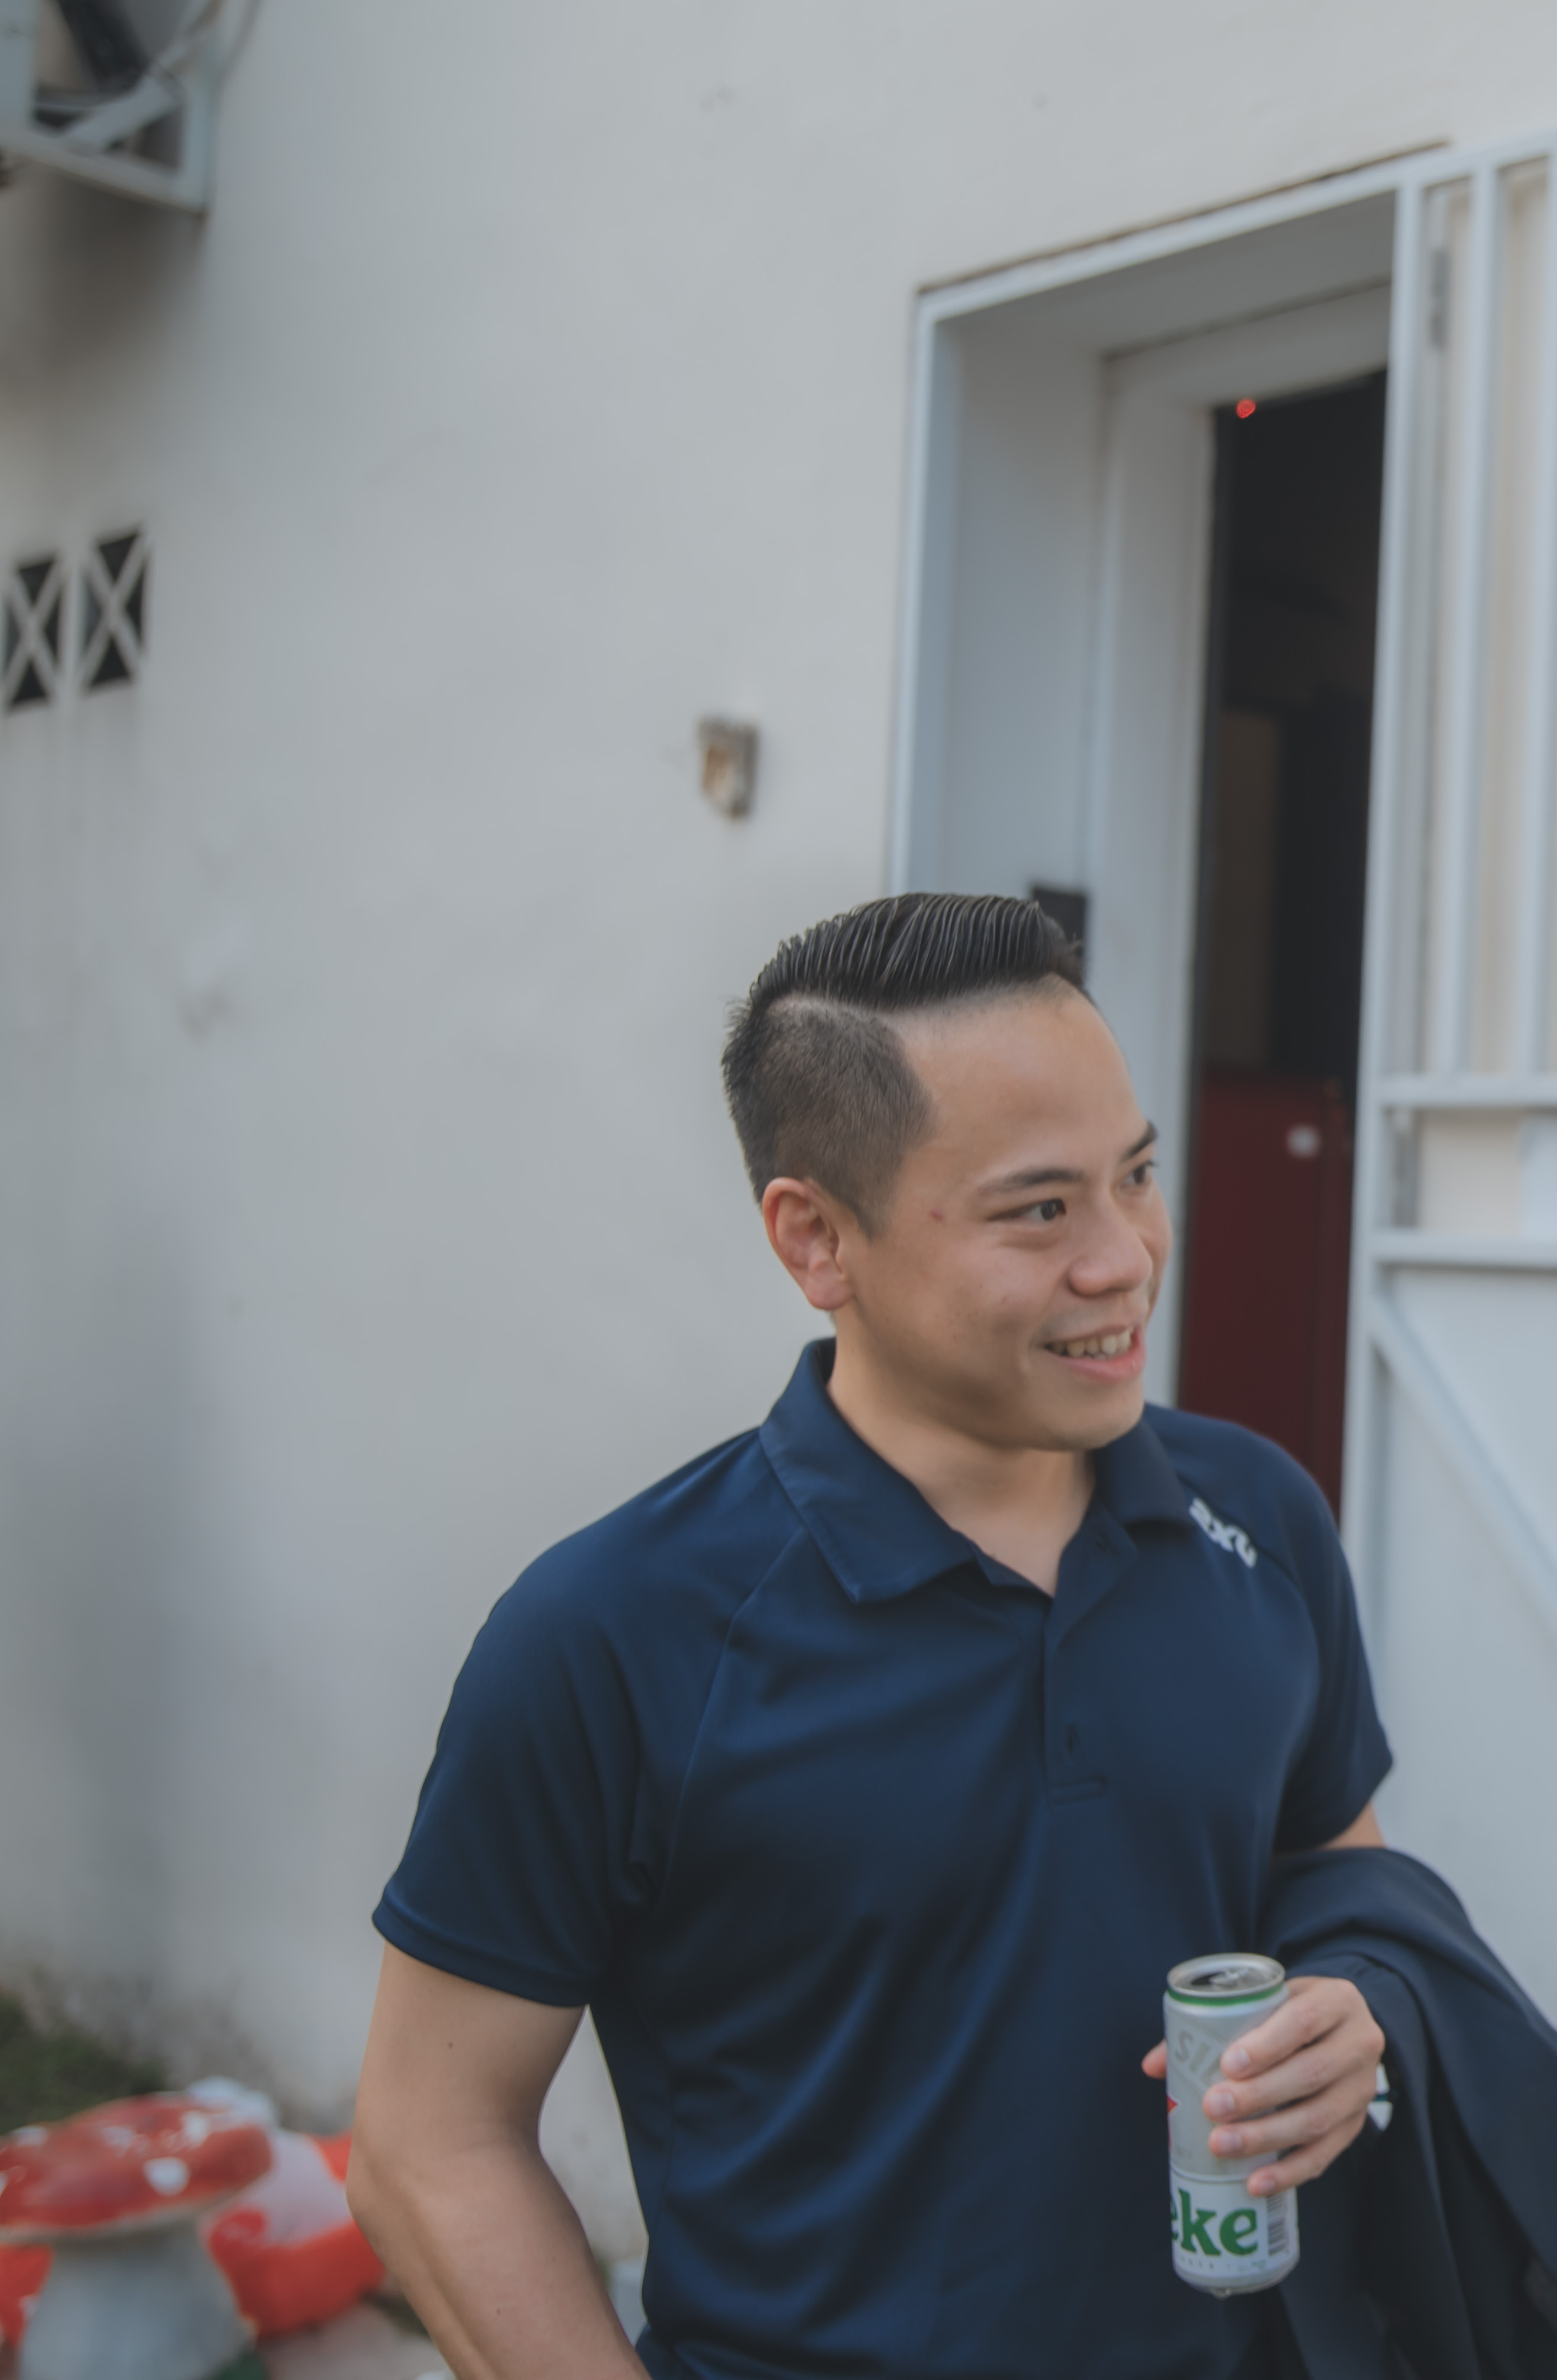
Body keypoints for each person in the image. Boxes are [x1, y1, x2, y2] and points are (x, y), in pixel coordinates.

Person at [352, 895, 1397, 2380]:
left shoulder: (1261, 1514)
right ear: (817, 1238)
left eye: (1137, 1174)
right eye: (1039, 1209)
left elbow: (1341, 1873)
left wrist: (1362, 2004)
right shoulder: (611, 1633)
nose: (1124, 1256)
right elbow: (429, 2144)